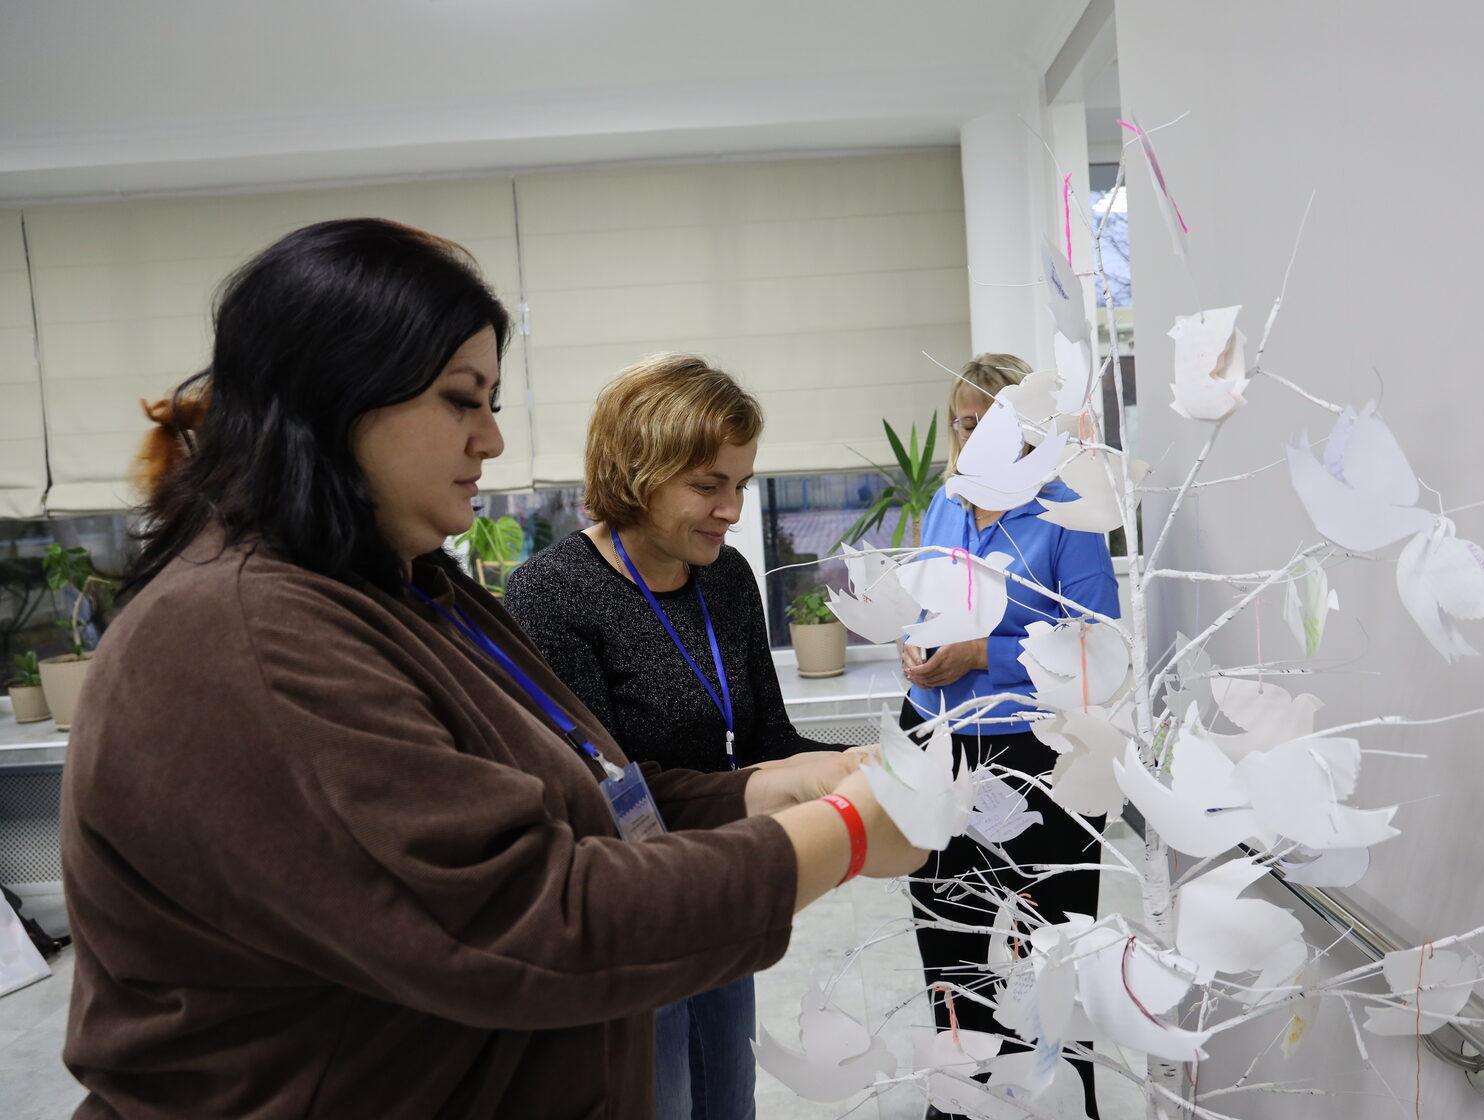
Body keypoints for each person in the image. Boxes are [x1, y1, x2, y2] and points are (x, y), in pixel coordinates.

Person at [58, 218, 926, 1120]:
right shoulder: (249, 634)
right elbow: (530, 921)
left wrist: (763, 790)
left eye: (493, 404)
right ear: (337, 395)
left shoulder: (410, 588)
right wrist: (845, 833)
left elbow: (586, 798)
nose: (492, 441)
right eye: (460, 400)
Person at [504, 354, 837, 1120]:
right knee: (663, 1100)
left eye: (741, 485)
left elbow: (764, 736)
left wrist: (856, 768)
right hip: (632, 915)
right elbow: (597, 794)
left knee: (729, 1099)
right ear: (637, 473)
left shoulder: (726, 578)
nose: (732, 510)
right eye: (708, 486)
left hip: (717, 888)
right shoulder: (552, 594)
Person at [900, 353, 1120, 1119]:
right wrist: (915, 642)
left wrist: (981, 655)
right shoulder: (947, 503)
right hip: (938, 742)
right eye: (964, 423)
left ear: (1030, 430)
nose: (975, 438)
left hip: (1037, 756)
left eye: (993, 423)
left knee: (1045, 947)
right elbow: (926, 601)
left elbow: (1099, 651)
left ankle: (1058, 1100)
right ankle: (960, 1095)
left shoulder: (1066, 512)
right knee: (948, 934)